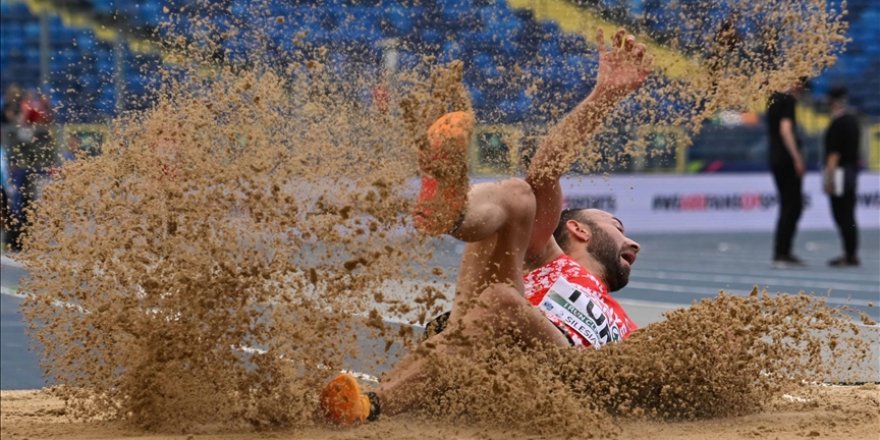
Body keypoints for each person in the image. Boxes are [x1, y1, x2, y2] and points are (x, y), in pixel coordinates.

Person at [318, 27, 651, 425]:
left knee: (501, 300)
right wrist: (604, 97)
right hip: (490, 340)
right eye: (616, 224)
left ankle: (376, 401)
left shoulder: (630, 328)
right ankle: (453, 212)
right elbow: (545, 171)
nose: (633, 241)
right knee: (518, 193)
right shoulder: (549, 257)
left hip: (565, 373)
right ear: (579, 230)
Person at [766, 79, 806, 268]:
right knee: (792, 205)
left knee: (788, 205)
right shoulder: (787, 100)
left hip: (775, 157)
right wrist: (797, 157)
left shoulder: (773, 99)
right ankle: (782, 252)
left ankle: (782, 250)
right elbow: (786, 130)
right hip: (786, 159)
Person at [822, 86, 861, 267]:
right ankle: (851, 252)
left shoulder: (837, 124)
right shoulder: (853, 121)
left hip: (839, 172)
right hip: (852, 170)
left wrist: (829, 179)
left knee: (841, 214)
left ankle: (849, 254)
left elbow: (833, 155)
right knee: (849, 213)